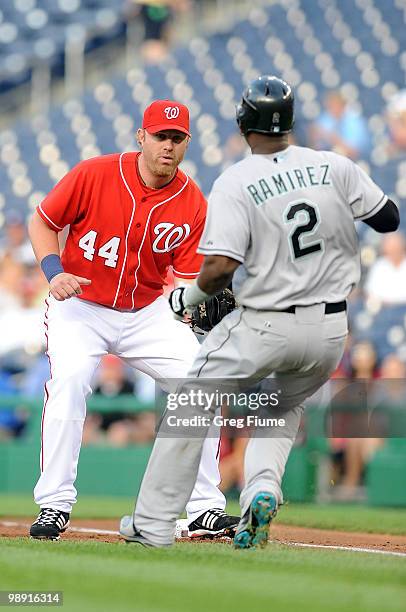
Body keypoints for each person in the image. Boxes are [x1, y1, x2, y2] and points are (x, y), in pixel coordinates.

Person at [119, 75, 399, 548]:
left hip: (269, 321)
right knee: (280, 407)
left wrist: (183, 299)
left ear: (243, 122)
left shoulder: (237, 179)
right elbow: (388, 217)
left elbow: (220, 268)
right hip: (330, 331)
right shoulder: (334, 165)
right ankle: (262, 491)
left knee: (191, 402)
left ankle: (151, 524)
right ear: (290, 122)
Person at [28, 98, 238, 540]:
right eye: (160, 136)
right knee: (68, 385)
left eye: (177, 138)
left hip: (144, 311)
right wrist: (53, 271)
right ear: (141, 137)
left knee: (198, 383)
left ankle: (204, 509)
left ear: (186, 144)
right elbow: (43, 222)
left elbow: (183, 282)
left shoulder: (191, 201)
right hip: (80, 304)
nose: (168, 145)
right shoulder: (95, 173)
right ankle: (54, 504)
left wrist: (197, 302)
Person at [308, 90, 370, 160]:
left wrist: (333, 139)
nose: (333, 110)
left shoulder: (356, 122)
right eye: (330, 107)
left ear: (343, 105)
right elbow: (315, 146)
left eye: (336, 105)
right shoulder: (325, 118)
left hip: (354, 161)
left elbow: (354, 152)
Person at [364, 232, 406, 304]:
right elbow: (370, 293)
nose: (393, 250)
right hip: (384, 308)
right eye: (390, 247)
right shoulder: (379, 266)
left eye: (396, 247)